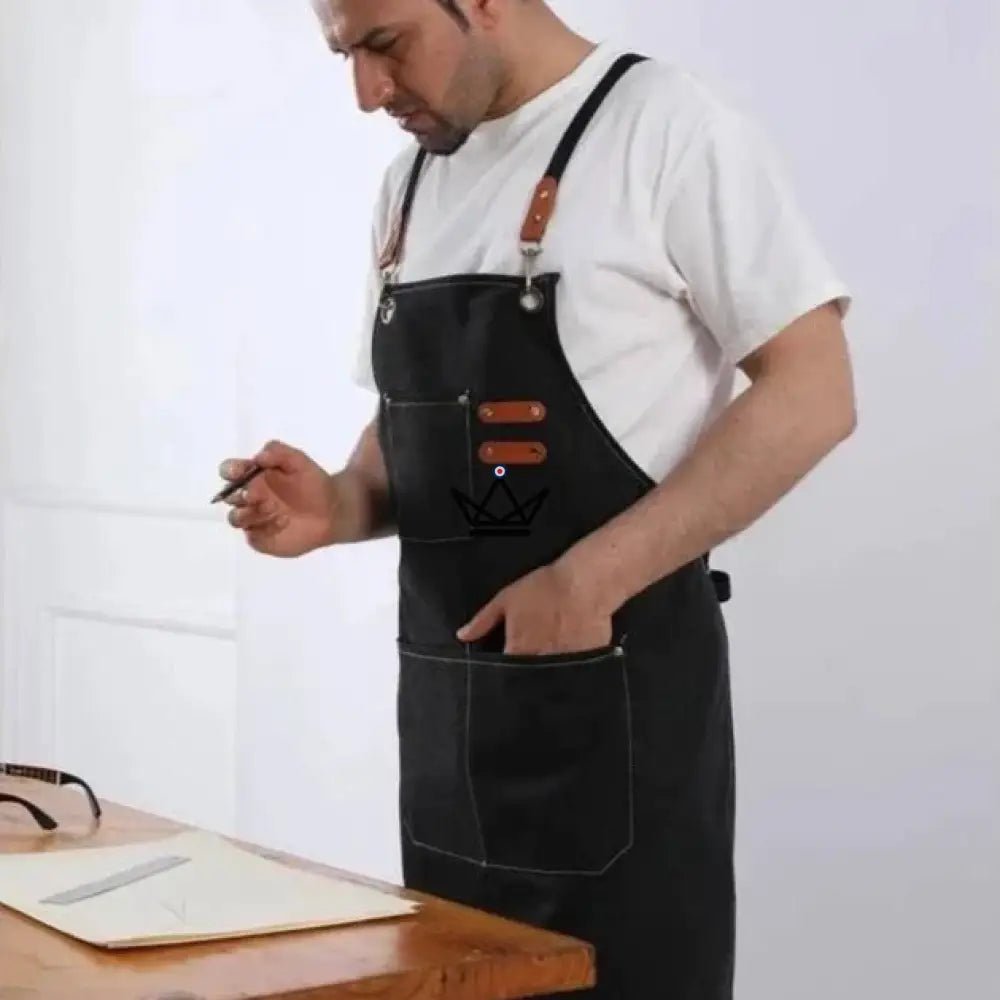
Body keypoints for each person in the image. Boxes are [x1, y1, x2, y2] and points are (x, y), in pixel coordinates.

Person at [217, 1, 857, 996]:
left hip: (619, 731)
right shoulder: (408, 185)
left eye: (385, 44)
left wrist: (589, 579)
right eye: (346, 54)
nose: (368, 93)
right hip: (450, 746)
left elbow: (814, 391)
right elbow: (420, 424)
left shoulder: (665, 127)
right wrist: (337, 503)